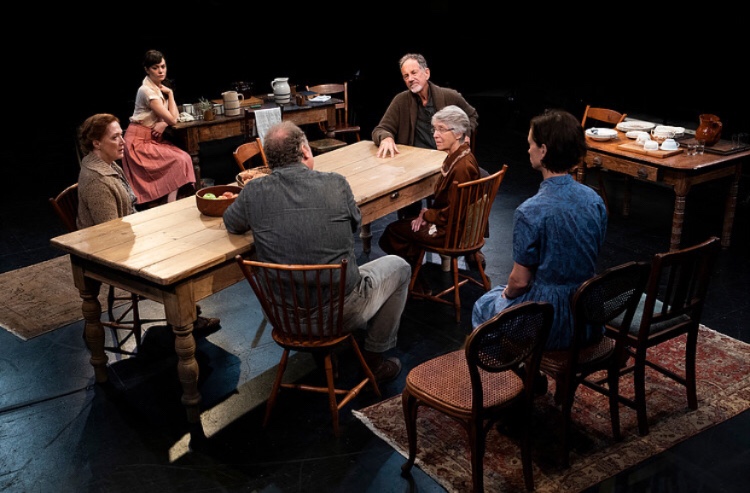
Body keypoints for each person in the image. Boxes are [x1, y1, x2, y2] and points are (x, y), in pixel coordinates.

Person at [223, 121, 410, 383]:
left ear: (270, 161)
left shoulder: (254, 190)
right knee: (399, 267)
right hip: (340, 313)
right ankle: (374, 364)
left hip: (284, 318)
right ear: (305, 151)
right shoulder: (336, 184)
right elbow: (356, 224)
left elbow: (231, 222)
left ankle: (325, 359)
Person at [471, 109, 608, 352]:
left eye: (531, 144)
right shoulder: (594, 200)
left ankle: (507, 381)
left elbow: (520, 282)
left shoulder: (531, 211)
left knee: (484, 305)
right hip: (589, 315)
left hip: (551, 321)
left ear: (543, 150)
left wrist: (505, 296)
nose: (528, 149)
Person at [77, 113, 219, 332]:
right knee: (175, 257)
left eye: (122, 135)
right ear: (96, 143)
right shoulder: (98, 180)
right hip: (114, 252)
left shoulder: (108, 165)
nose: (123, 142)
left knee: (178, 236)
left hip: (128, 236)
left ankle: (184, 311)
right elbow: (110, 234)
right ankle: (184, 318)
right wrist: (150, 240)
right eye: (115, 138)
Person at [378, 105, 480, 294]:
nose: (435, 134)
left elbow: (452, 213)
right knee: (407, 226)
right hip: (455, 225)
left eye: (442, 129)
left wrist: (426, 215)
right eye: (434, 129)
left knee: (392, 232)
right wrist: (426, 213)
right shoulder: (461, 156)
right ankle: (415, 274)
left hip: (451, 233)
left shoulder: (461, 167)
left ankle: (416, 285)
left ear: (458, 134)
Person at [121, 49, 195, 209]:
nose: (161, 70)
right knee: (180, 160)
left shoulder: (158, 88)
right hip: (138, 143)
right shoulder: (147, 90)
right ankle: (170, 206)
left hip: (151, 138)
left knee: (182, 158)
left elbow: (170, 116)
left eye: (163, 66)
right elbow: (173, 118)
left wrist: (170, 95)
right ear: (147, 69)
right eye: (155, 67)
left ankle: (170, 204)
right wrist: (166, 121)